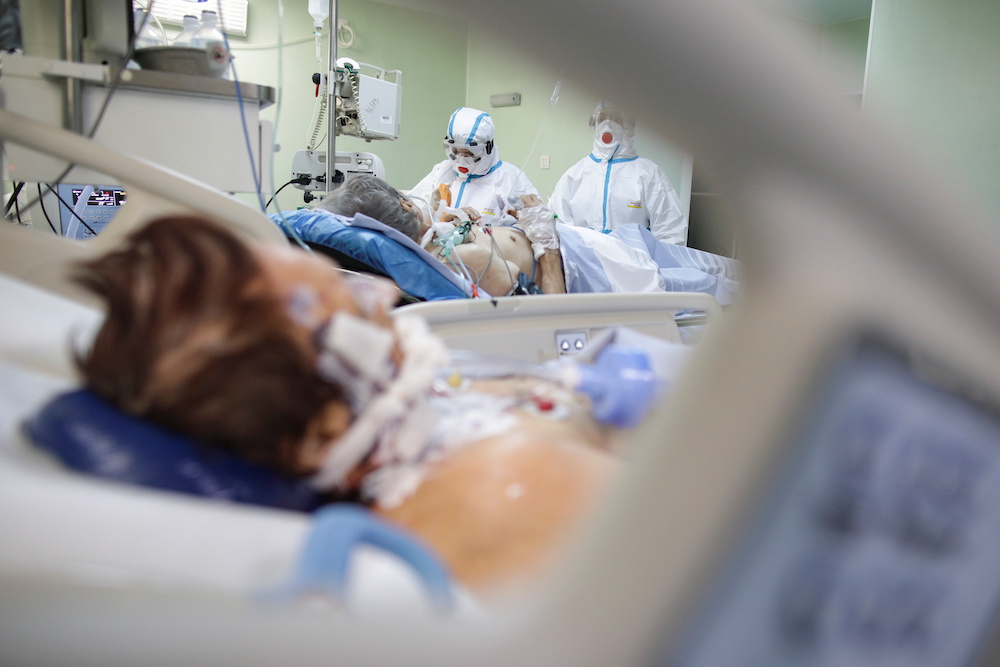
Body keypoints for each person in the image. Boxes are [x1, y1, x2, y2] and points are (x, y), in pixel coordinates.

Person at [72, 214, 621, 595]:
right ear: (324, 431)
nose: (383, 293)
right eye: (355, 306)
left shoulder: (400, 427)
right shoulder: (509, 487)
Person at [315, 174, 738, 303]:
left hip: (596, 244)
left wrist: (483, 219)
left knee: (711, 264)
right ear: (406, 207)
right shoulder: (463, 258)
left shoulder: (438, 243)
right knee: (718, 283)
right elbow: (550, 312)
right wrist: (544, 240)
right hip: (596, 268)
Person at [550, 101, 688, 245]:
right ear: (594, 124)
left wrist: (652, 263)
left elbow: (670, 230)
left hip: (635, 262)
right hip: (585, 261)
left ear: (629, 125)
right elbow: (559, 226)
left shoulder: (649, 174)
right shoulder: (574, 175)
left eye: (616, 118)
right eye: (602, 118)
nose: (608, 125)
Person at [408, 107, 538, 226]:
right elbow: (411, 218)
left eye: (469, 153)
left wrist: (476, 227)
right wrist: (433, 209)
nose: (462, 160)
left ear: (488, 147)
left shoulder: (509, 177)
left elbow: (533, 227)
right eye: (456, 152)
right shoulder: (441, 171)